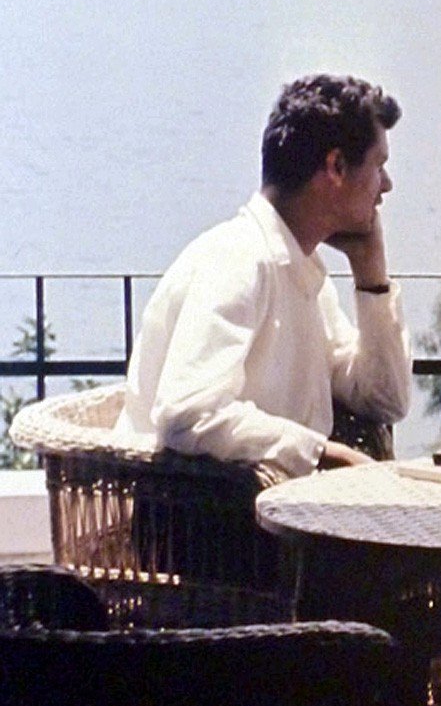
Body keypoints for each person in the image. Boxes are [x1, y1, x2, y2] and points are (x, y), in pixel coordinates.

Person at [116, 74, 412, 476]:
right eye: (379, 165)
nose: (387, 185)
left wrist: (371, 275)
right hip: (193, 509)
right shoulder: (237, 261)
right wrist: (323, 454)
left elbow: (384, 401)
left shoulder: (298, 268)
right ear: (336, 167)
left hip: (263, 505)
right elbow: (187, 414)